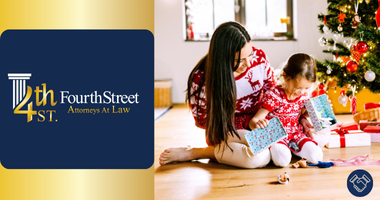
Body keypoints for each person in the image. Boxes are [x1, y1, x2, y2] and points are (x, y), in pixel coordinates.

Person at [159, 21, 315, 168]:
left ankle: (228, 153)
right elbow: (203, 122)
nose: (248, 64)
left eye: (250, 55)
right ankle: (195, 152)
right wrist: (244, 125)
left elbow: (275, 97)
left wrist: (299, 117)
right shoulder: (201, 80)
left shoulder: (259, 59)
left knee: (270, 150)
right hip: (227, 130)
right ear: (223, 58)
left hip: (259, 126)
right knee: (259, 158)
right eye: (240, 60)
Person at [249, 53, 323, 167]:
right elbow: (254, 120)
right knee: (282, 160)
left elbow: (303, 113)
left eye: (307, 88)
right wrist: (258, 123)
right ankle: (290, 151)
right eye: (298, 87)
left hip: (296, 134)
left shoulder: (303, 95)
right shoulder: (275, 95)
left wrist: (319, 110)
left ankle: (294, 149)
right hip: (277, 136)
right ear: (285, 77)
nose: (302, 92)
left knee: (316, 156)